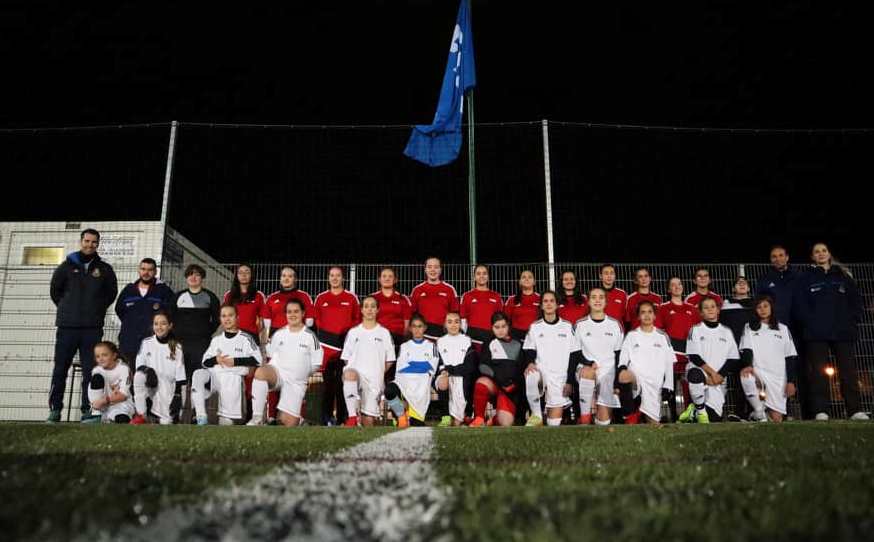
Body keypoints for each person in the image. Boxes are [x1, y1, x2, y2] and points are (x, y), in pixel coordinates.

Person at [48, 228, 118, 423]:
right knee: (60, 369)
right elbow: (55, 292)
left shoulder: (104, 269)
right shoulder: (65, 267)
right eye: (87, 241)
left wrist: (95, 309)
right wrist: (67, 308)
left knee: (91, 370)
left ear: (98, 244)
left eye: (94, 242)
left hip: (91, 328)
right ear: (81, 241)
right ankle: (55, 410)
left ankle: (88, 409)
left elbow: (111, 294)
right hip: (67, 327)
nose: (90, 245)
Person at [794, 242, 868, 421]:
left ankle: (854, 410)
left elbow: (856, 302)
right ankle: (821, 411)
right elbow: (799, 305)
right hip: (816, 334)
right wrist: (810, 323)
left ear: (829, 254)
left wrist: (852, 321)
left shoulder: (843, 276)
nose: (820, 254)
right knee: (818, 373)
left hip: (843, 333)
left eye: (824, 251)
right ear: (812, 257)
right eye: (816, 252)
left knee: (848, 371)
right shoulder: (806, 278)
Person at [248, 299, 321, 426]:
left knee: (286, 423)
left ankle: (299, 420)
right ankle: (257, 418)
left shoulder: (310, 336)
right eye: (289, 312)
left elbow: (317, 363)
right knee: (261, 372)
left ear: (303, 314)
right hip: (279, 374)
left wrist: (301, 374)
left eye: (296, 312)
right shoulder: (279, 334)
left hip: (296, 383)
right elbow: (270, 354)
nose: (292, 315)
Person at [191, 304, 262, 426]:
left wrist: (235, 361)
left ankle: (225, 419)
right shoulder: (216, 340)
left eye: (230, 315)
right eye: (223, 316)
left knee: (225, 423)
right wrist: (216, 359)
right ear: (220, 319)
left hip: (232, 378)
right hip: (214, 377)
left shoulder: (246, 338)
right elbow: (204, 361)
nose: (227, 319)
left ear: (237, 318)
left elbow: (258, 360)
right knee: (198, 374)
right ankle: (201, 416)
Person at [522, 291, 583, 426]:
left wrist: (570, 381)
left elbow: (574, 354)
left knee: (553, 424)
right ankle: (536, 414)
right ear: (542, 306)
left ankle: (548, 417)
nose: (549, 304)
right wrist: (530, 363)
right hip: (542, 375)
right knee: (531, 375)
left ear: (557, 305)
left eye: (552, 301)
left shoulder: (567, 326)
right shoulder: (535, 327)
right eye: (545, 301)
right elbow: (529, 349)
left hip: (560, 379)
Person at [170, 264, 221, 421]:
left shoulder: (210, 297)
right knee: (179, 379)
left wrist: (205, 333)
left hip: (201, 344)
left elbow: (216, 320)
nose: (193, 277)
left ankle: (195, 413)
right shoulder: (178, 297)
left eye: (197, 275)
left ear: (202, 278)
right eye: (190, 274)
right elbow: (170, 319)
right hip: (181, 344)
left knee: (198, 378)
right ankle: (175, 414)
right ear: (186, 278)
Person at [678, 297, 741, 424]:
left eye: (713, 307)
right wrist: (712, 374)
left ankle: (694, 411)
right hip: (701, 373)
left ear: (718, 310)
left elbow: (733, 358)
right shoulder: (695, 329)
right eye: (706, 308)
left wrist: (720, 375)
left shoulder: (726, 332)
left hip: (718, 379)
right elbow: (694, 356)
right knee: (695, 374)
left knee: (713, 418)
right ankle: (700, 410)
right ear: (701, 313)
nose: (710, 309)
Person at [739, 295, 799, 423]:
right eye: (759, 307)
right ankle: (759, 412)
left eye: (765, 306)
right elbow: (747, 349)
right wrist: (749, 366)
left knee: (777, 419)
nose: (762, 310)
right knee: (746, 376)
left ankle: (755, 416)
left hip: (778, 377)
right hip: (758, 373)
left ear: (772, 307)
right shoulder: (749, 327)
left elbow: (790, 356)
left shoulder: (783, 328)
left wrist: (791, 381)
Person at [314, 266, 361, 425]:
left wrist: (347, 341)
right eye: (332, 275)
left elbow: (356, 321)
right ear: (328, 278)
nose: (335, 278)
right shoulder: (321, 298)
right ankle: (326, 418)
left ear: (343, 278)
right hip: (326, 349)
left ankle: (343, 418)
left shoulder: (352, 298)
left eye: (338, 275)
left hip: (345, 348)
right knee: (328, 385)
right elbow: (318, 322)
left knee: (343, 383)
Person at [616, 301, 675, 425]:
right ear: (638, 316)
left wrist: (668, 385)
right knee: (623, 375)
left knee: (653, 424)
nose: (647, 315)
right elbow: (623, 360)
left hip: (654, 384)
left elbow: (669, 362)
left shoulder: (662, 336)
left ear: (654, 316)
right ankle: (630, 416)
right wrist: (620, 376)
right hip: (636, 380)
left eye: (650, 312)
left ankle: (640, 412)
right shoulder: (632, 335)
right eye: (643, 312)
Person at [340, 296, 396, 427]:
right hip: (356, 376)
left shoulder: (384, 333)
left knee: (369, 422)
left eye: (372, 306)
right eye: (366, 306)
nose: (369, 309)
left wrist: (378, 371)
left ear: (377, 310)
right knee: (349, 374)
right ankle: (352, 417)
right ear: (362, 310)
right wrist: (353, 371)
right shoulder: (353, 332)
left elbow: (389, 360)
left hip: (374, 382)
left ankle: (362, 419)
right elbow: (346, 359)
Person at [574, 287, 624, 426]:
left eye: (601, 297)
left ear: (606, 302)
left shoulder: (615, 325)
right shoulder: (580, 324)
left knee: (604, 422)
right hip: (586, 369)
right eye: (594, 297)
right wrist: (588, 362)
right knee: (588, 372)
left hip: (608, 373)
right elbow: (575, 353)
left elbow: (619, 354)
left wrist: (616, 382)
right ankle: (584, 419)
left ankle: (598, 415)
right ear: (588, 302)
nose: (597, 300)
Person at [656, 277, 700, 421]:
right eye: (673, 285)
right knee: (671, 387)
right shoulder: (663, 308)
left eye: (679, 284)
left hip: (689, 355)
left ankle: (691, 415)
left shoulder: (692, 309)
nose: (677, 287)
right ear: (669, 289)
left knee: (689, 387)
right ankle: (674, 417)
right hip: (672, 355)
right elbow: (659, 332)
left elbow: (697, 333)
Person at [131, 311, 186, 425]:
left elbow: (180, 377)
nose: (159, 327)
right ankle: (141, 414)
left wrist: (177, 395)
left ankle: (168, 416)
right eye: (156, 324)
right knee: (139, 376)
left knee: (166, 423)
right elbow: (139, 366)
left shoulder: (177, 347)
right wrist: (149, 371)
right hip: (150, 384)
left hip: (167, 389)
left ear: (170, 326)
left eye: (163, 324)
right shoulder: (146, 343)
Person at [115, 257, 174, 363]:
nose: (146, 273)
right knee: (128, 374)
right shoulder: (129, 290)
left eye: (150, 270)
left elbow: (171, 313)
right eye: (143, 269)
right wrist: (131, 323)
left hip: (153, 342)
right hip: (129, 342)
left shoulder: (163, 290)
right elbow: (119, 310)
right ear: (139, 270)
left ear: (155, 272)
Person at [385, 314, 441, 428]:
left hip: (421, 386)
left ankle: (412, 416)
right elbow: (401, 368)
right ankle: (401, 416)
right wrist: (422, 365)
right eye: (414, 326)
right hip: (404, 382)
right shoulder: (404, 346)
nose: (417, 329)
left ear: (425, 328)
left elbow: (432, 367)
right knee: (389, 391)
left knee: (417, 426)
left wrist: (411, 365)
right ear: (410, 328)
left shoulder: (432, 346)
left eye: (420, 326)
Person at [470, 312, 524, 427]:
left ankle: (492, 420)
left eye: (503, 326)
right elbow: (483, 366)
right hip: (495, 384)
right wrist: (500, 380)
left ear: (508, 326)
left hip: (509, 390)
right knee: (481, 382)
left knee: (506, 423)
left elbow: (521, 370)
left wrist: (513, 384)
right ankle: (479, 418)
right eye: (497, 327)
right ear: (492, 328)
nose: (500, 330)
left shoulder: (517, 344)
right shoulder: (489, 342)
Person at [719, 276, 756, 420]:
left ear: (748, 288)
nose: (741, 285)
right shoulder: (726, 305)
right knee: (736, 381)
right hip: (732, 348)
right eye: (738, 283)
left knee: (752, 379)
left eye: (744, 283)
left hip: (752, 348)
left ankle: (757, 411)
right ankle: (738, 412)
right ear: (733, 288)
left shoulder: (756, 304)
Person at [435, 311, 478, 426]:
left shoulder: (467, 341)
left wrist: (450, 370)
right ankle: (445, 416)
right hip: (446, 376)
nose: (453, 325)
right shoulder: (440, 342)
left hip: (462, 378)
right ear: (445, 324)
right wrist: (444, 372)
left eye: (456, 322)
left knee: (457, 423)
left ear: (461, 324)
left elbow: (469, 367)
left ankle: (464, 415)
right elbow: (438, 363)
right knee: (442, 381)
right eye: (449, 322)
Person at [82, 341, 134, 424]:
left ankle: (108, 418)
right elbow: (95, 391)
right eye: (98, 356)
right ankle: (96, 414)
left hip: (120, 405)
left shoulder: (123, 369)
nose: (101, 359)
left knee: (122, 419)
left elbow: (123, 396)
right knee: (97, 378)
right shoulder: (97, 370)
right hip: (102, 406)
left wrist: (105, 400)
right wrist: (98, 404)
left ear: (114, 355)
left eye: (104, 355)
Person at [410, 257, 459, 340]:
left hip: (444, 335)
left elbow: (455, 314)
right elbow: (413, 315)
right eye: (429, 267)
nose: (433, 270)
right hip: (423, 335)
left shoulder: (449, 289)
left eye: (436, 267)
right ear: (425, 270)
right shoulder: (417, 290)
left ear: (440, 270)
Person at [223, 264, 269, 345]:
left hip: (251, 336)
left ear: (251, 275)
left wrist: (263, 336)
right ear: (236, 276)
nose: (244, 275)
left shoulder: (259, 295)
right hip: (232, 335)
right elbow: (224, 316)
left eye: (247, 272)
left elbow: (263, 319)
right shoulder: (229, 295)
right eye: (240, 272)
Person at [371, 266, 413, 354]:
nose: (387, 279)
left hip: (397, 339)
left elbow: (407, 324)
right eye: (384, 276)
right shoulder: (372, 298)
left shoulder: (403, 299)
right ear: (379, 279)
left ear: (395, 280)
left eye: (390, 276)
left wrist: (403, 341)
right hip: (377, 339)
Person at [459, 264, 504, 348]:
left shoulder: (496, 296)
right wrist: (465, 337)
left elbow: (500, 320)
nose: (481, 276)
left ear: (488, 276)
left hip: (491, 338)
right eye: (478, 273)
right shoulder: (467, 296)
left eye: (484, 273)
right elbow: (463, 320)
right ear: (474, 277)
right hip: (472, 338)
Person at [755, 245, 799, 326]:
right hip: (775, 324)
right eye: (774, 256)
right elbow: (760, 303)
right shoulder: (764, 280)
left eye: (781, 255)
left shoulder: (798, 277)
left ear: (787, 257)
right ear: (771, 259)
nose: (778, 259)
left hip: (798, 325)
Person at [265, 265, 315, 334]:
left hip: (297, 334)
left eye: (290, 276)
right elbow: (267, 321)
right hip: (276, 335)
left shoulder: (304, 296)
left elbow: (309, 321)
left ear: (295, 279)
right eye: (284, 276)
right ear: (280, 278)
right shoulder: (272, 297)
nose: (286, 279)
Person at [504, 269, 541, 341]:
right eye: (524, 277)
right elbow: (505, 320)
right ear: (520, 282)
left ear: (534, 282)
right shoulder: (512, 300)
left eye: (530, 277)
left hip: (536, 336)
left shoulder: (541, 299)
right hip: (516, 337)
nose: (527, 279)